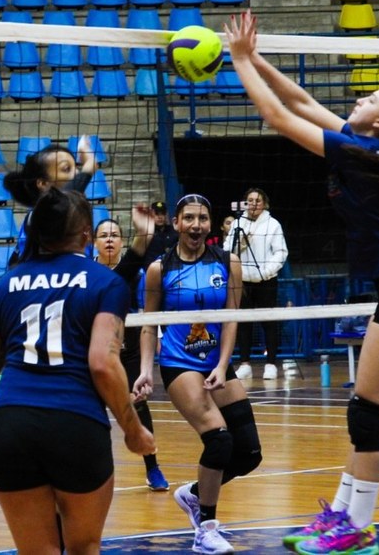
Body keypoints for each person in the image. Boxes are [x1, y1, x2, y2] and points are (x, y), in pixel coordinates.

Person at [226, 10, 379, 555]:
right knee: (362, 407)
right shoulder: (363, 143)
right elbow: (298, 100)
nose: (360, 100)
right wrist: (257, 59)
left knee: (366, 409)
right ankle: (343, 517)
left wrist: (237, 60)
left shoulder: (361, 150)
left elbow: (277, 118)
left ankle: (357, 528)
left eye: (370, 99)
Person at [0, 189, 155, 555]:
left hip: (10, 423)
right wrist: (133, 431)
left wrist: (1, 427)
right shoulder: (106, 283)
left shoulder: (4, 285)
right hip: (75, 424)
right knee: (83, 547)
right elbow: (102, 363)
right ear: (86, 235)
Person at [134, 193, 263, 555]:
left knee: (249, 453)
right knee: (219, 440)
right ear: (175, 223)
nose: (195, 225)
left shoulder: (227, 261)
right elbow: (148, 325)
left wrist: (224, 366)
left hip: (215, 361)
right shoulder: (160, 269)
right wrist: (146, 371)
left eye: (202, 218)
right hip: (178, 362)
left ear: (210, 224)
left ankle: (193, 494)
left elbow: (231, 317)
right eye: (188, 218)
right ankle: (206, 529)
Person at [93, 213, 169, 492]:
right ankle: (97, 471)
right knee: (93, 408)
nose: (110, 240)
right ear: (93, 242)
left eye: (114, 235)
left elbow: (145, 310)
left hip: (130, 347)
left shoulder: (136, 274)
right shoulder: (88, 274)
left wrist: (157, 335)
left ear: (122, 242)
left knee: (138, 403)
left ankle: (152, 467)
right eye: (104, 236)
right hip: (97, 349)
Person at [222, 187, 288, 380]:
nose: (253, 204)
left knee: (269, 323)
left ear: (264, 204)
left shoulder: (273, 225)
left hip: (266, 281)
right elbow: (226, 250)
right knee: (243, 324)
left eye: (257, 201)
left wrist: (267, 272)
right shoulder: (237, 224)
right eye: (250, 200)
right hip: (242, 282)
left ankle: (270, 364)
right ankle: (245, 364)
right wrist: (238, 245)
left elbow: (281, 253)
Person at [3, 138, 97, 265]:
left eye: (76, 167)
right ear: (42, 183)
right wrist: (89, 164)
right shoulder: (40, 214)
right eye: (66, 169)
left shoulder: (73, 214)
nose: (76, 173)